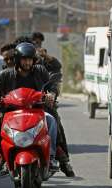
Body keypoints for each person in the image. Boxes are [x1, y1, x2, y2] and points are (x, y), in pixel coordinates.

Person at [0, 42, 59, 172]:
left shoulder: (40, 71)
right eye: (24, 59)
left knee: (51, 120)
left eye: (30, 59)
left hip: (37, 111)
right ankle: (1, 154)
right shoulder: (5, 75)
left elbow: (52, 86)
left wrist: (51, 94)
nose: (27, 63)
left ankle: (51, 156)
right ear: (17, 60)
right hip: (12, 112)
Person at [32, 32, 75, 177]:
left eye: (38, 43)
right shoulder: (15, 68)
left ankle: (62, 159)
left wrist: (51, 95)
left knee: (54, 123)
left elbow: (55, 73)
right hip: (21, 107)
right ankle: (2, 153)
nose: (36, 46)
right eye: (34, 43)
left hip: (42, 105)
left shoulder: (42, 66)